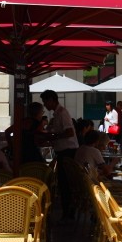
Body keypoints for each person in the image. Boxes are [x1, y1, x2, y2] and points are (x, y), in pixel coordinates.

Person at [41, 89, 78, 218]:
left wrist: (54, 137)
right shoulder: (56, 114)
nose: (45, 105)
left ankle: (68, 213)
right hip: (62, 152)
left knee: (66, 182)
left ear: (51, 100)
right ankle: (66, 211)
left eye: (45, 101)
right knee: (63, 182)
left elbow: (69, 132)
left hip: (67, 152)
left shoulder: (62, 113)